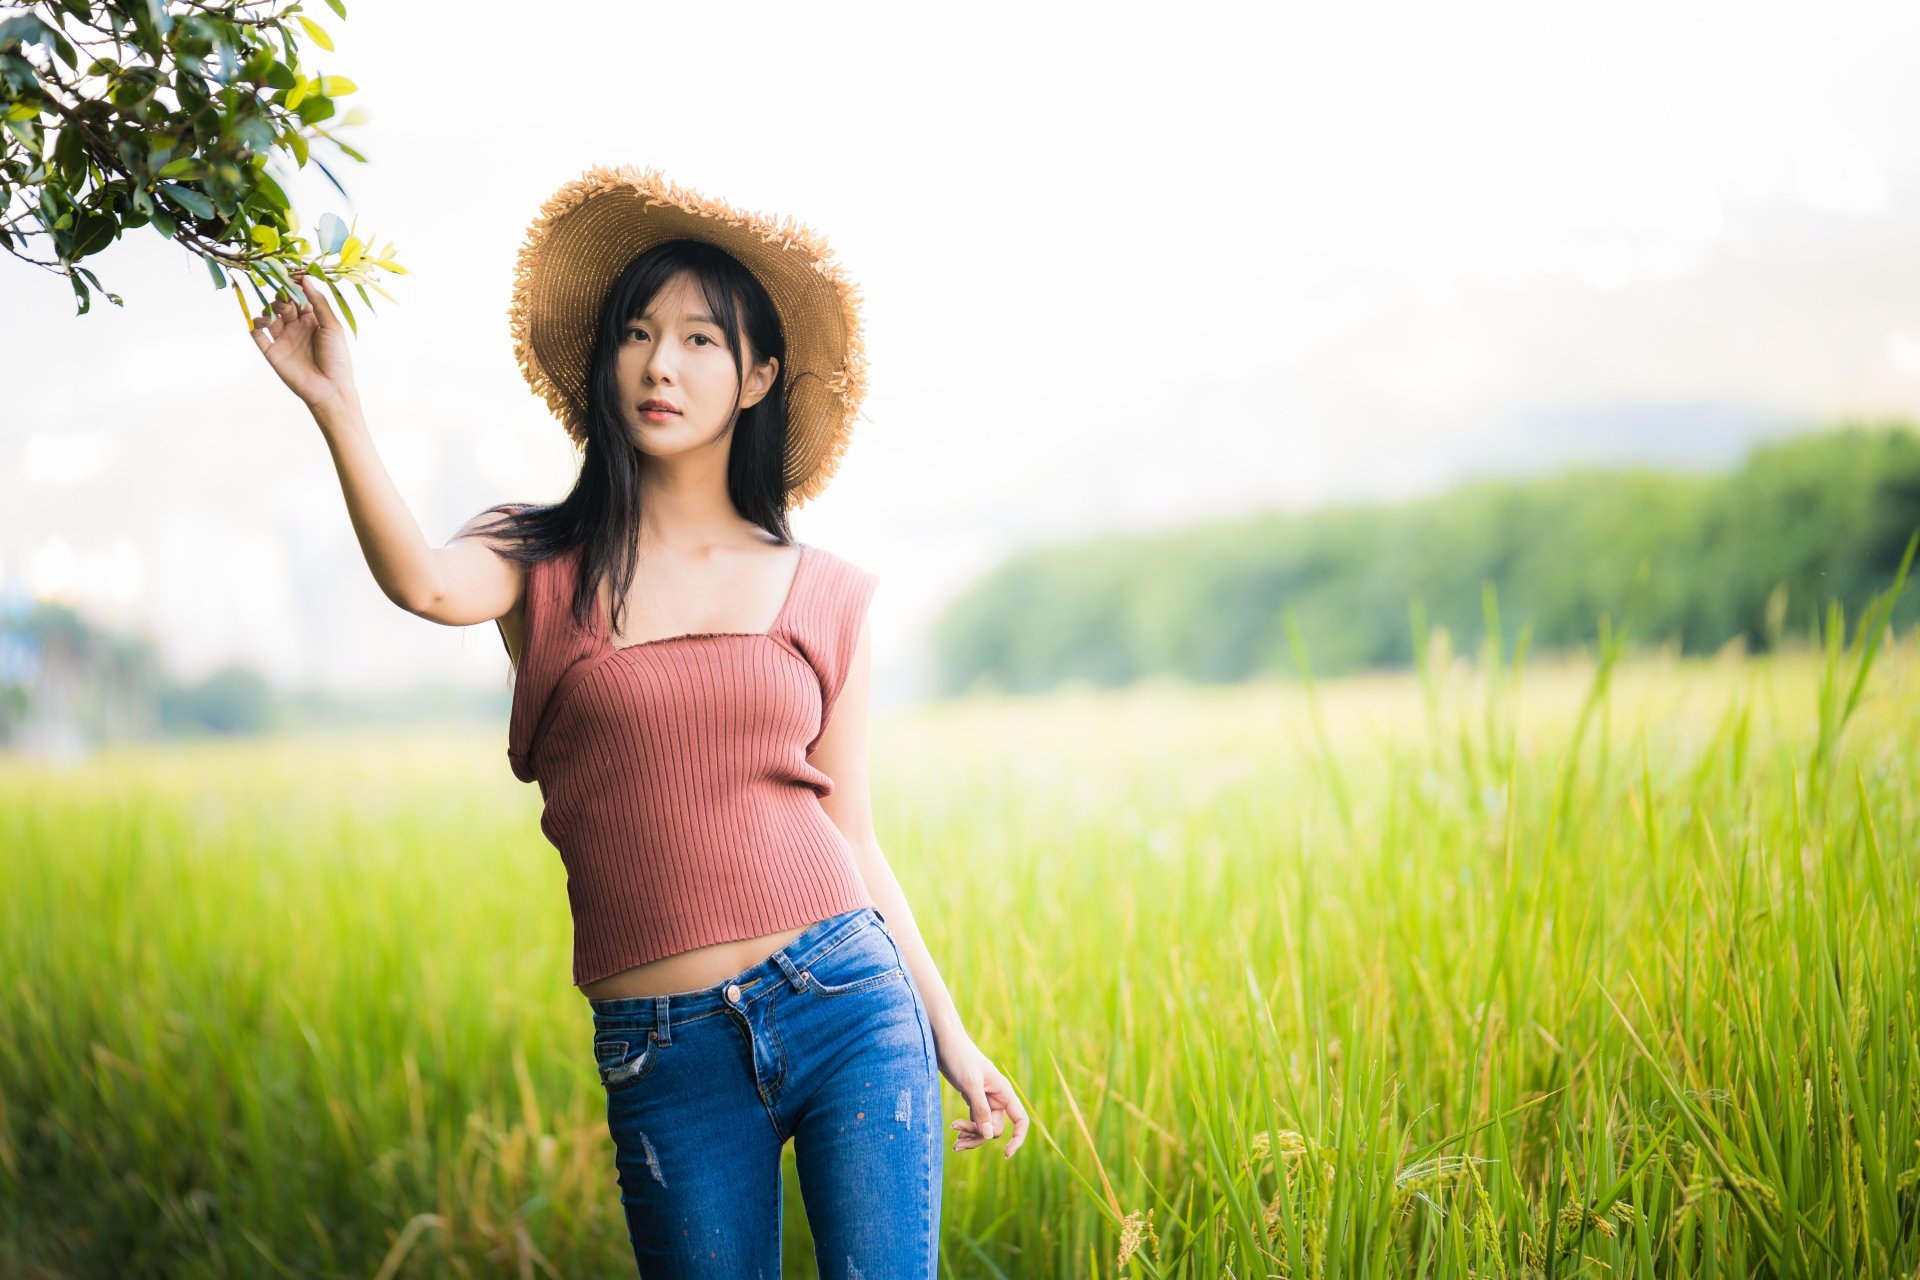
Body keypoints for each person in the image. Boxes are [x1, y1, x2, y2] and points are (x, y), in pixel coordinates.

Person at [247, 163, 1028, 1277]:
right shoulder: (537, 555)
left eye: (702, 339)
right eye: (638, 333)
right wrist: (338, 408)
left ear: (759, 374)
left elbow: (855, 841)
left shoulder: (826, 592)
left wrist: (951, 1035)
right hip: (664, 1049)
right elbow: (421, 580)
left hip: (847, 1004)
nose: (661, 362)